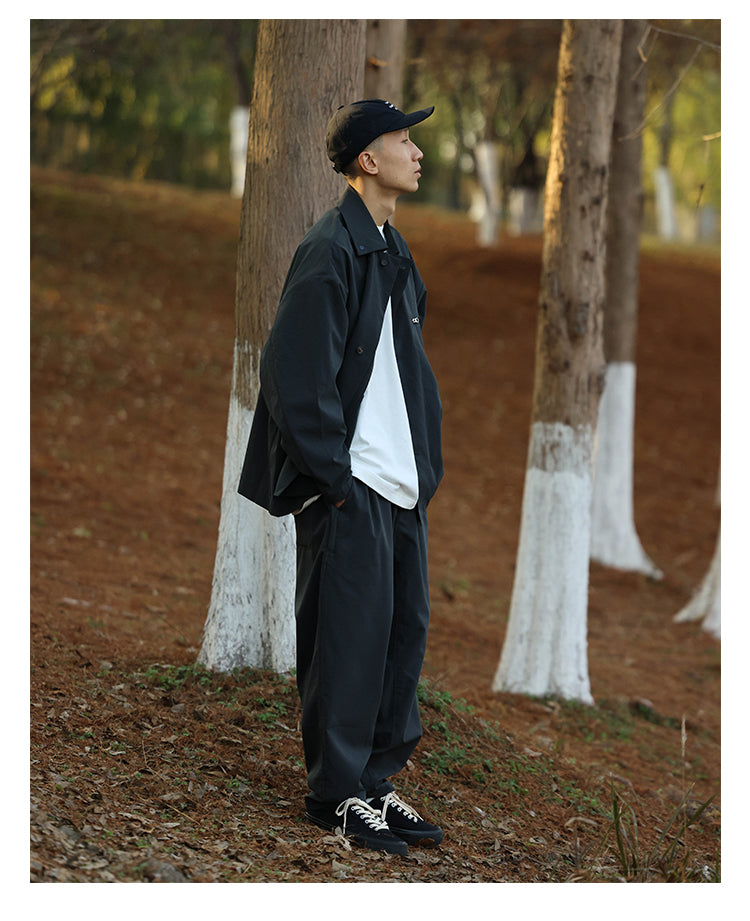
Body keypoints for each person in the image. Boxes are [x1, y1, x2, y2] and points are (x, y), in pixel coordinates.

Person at [238, 99, 444, 855]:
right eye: (402, 139)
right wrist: (335, 478)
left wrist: (423, 468)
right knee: (345, 645)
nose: (415, 152)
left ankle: (374, 784)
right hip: (352, 486)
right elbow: (292, 373)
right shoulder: (330, 248)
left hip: (400, 487)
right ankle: (336, 795)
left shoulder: (391, 248)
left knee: (399, 639)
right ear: (367, 159)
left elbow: (403, 369)